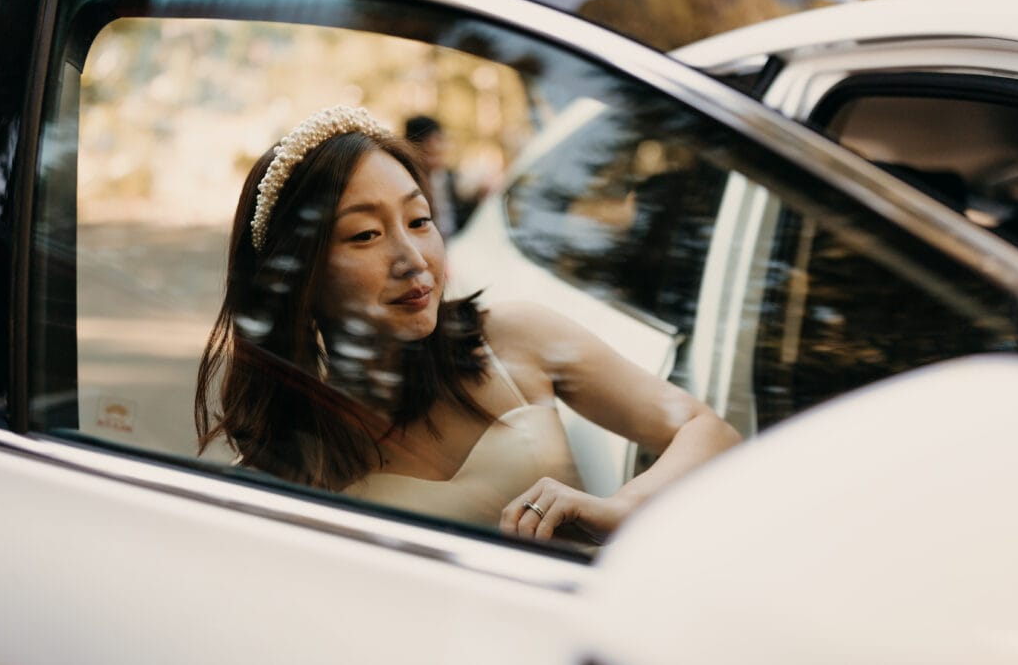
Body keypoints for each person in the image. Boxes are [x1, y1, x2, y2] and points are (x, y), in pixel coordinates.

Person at [195, 105, 740, 545]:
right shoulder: (285, 462)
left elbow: (709, 431)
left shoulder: (512, 338)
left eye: (419, 220)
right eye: (365, 235)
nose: (412, 258)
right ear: (298, 278)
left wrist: (620, 508)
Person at [404, 115, 474, 238]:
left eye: (439, 140)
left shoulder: (450, 178)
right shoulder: (405, 183)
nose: (436, 147)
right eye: (427, 142)